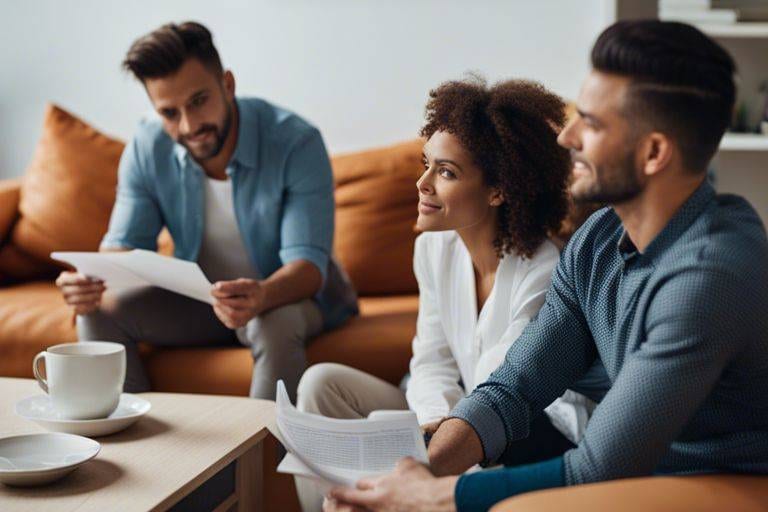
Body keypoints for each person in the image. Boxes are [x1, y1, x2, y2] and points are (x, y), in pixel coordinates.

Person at [324, 19, 768, 512]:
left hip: (730, 479)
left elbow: (597, 469)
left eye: (593, 124)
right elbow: (512, 390)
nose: (567, 137)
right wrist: (409, 476)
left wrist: (432, 494)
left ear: (654, 153)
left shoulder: (709, 275)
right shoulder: (596, 244)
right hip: (648, 474)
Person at [297, 77, 605, 512]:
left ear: (498, 190)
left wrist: (433, 447)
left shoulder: (545, 270)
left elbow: (501, 387)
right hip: (450, 420)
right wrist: (431, 425)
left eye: (445, 172)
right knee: (321, 384)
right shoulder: (433, 248)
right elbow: (431, 359)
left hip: (524, 434)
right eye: (427, 164)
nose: (422, 183)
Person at [54, 21, 357, 401]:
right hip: (203, 302)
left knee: (272, 324)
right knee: (98, 310)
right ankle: (138, 453)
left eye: (199, 101)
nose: (189, 125)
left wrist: (261, 295)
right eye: (169, 112)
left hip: (285, 299)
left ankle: (264, 462)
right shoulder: (147, 148)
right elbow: (124, 247)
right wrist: (90, 280)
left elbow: (308, 268)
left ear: (227, 84)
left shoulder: (296, 143)